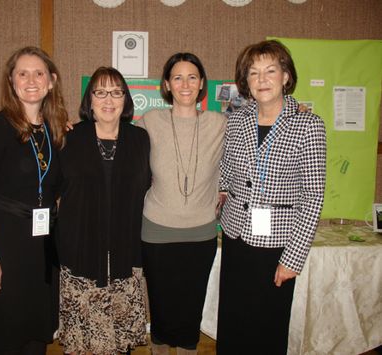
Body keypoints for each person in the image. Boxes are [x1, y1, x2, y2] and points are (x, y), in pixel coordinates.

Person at [216, 39, 326, 354]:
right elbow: (226, 170)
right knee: (233, 321)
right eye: (253, 73)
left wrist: (293, 259)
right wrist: (219, 193)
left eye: (270, 70)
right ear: (246, 82)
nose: (262, 80)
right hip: (236, 236)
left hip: (277, 243)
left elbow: (313, 196)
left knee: (267, 326)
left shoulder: (308, 125)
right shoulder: (236, 120)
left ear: (286, 76)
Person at [0, 46, 69, 355]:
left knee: (35, 335)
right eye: (22, 74)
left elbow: (62, 187)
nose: (31, 80)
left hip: (41, 247)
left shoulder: (57, 132)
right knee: (5, 335)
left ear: (51, 81)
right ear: (11, 81)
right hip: (5, 245)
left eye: (38, 73)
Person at [135, 53, 227, 355]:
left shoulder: (221, 124)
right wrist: (77, 129)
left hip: (200, 231)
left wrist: (294, 110)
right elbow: (114, 136)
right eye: (177, 77)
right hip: (157, 229)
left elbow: (259, 130)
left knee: (191, 302)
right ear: (166, 84)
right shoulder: (150, 120)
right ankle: (158, 349)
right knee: (160, 304)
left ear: (201, 83)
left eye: (192, 77)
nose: (185, 84)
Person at [55, 67, 151, 354]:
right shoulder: (69, 138)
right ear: (90, 99)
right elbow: (51, 192)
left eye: (116, 92)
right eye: (100, 92)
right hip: (80, 251)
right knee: (84, 342)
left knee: (121, 343)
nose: (108, 99)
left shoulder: (140, 140)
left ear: (125, 99)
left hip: (125, 250)